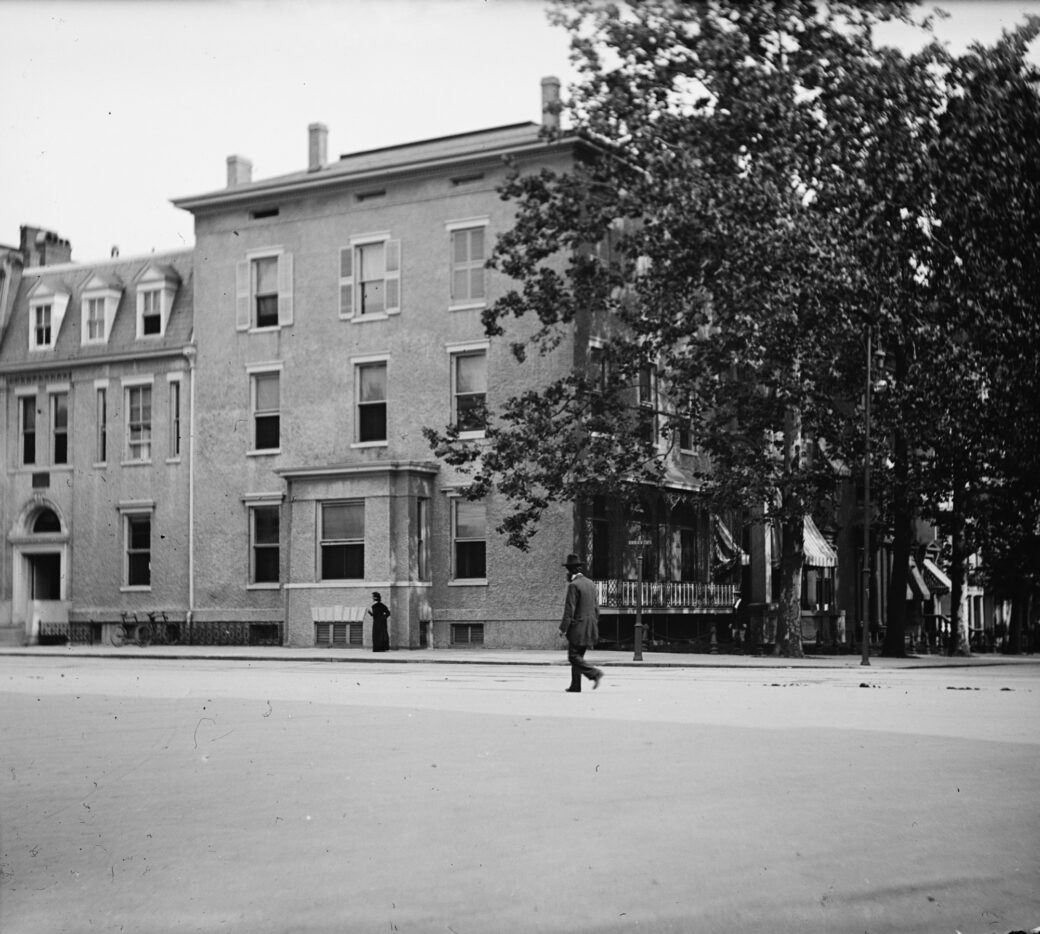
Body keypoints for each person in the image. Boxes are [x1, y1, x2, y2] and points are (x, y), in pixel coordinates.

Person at [559, 554, 603, 692]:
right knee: (578, 656)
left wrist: (563, 628)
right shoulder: (590, 583)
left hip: (578, 626)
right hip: (590, 625)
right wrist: (594, 623)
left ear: (571, 570)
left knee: (573, 656)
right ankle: (575, 685)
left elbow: (569, 609)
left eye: (568, 570)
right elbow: (596, 607)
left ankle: (594, 673)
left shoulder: (574, 585)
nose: (567, 573)